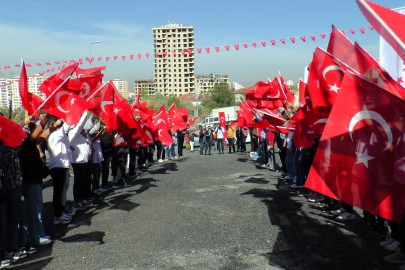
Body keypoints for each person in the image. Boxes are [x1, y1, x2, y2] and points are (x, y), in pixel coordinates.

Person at [19, 114, 52, 246]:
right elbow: (39, 132)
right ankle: (36, 237)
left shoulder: (30, 143)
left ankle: (33, 235)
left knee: (36, 209)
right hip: (30, 179)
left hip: (34, 178)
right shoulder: (25, 142)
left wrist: (51, 128)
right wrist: (46, 118)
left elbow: (41, 137)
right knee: (34, 210)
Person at [68, 112, 92, 209]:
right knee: (78, 182)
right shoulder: (73, 132)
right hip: (78, 161)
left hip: (83, 160)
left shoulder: (79, 135)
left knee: (82, 181)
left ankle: (81, 199)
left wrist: (88, 150)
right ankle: (76, 201)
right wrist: (85, 112)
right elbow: (81, 124)